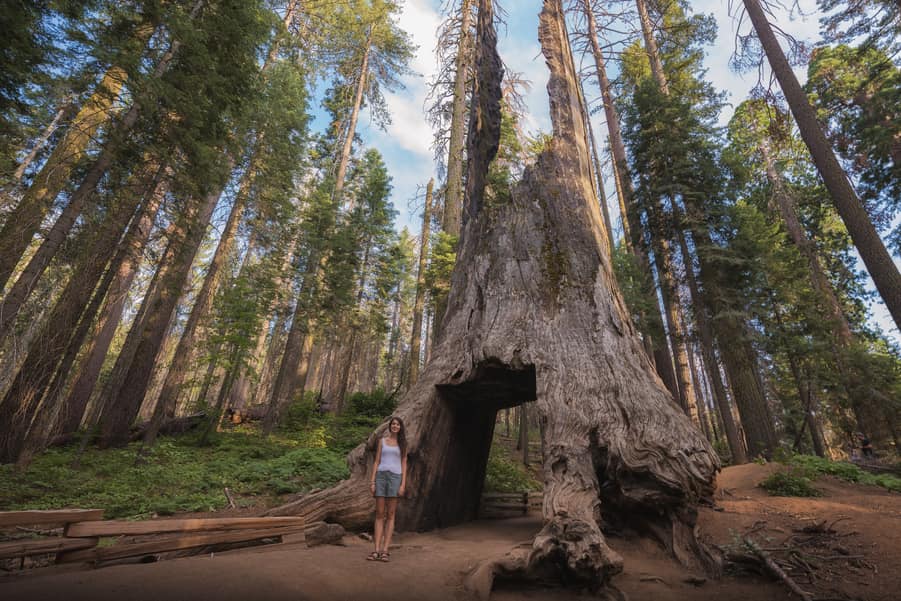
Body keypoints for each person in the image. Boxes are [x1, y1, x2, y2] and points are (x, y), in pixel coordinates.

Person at [367, 416, 407, 562]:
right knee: (379, 514)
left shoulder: (403, 444)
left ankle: (385, 550)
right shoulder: (382, 442)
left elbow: (404, 464)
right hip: (381, 477)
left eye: (398, 424)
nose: (395, 426)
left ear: (400, 427)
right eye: (393, 424)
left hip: (395, 478)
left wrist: (403, 484)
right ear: (390, 426)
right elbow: (377, 461)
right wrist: (372, 482)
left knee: (390, 515)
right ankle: (376, 550)